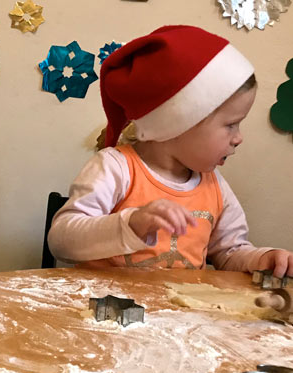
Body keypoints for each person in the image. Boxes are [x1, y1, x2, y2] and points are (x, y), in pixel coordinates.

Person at [48, 25, 293, 278]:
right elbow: (61, 241)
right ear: (178, 123)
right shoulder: (116, 168)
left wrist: (263, 259)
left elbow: (229, 253)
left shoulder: (216, 187)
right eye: (231, 124)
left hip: (182, 315)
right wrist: (131, 224)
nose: (238, 138)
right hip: (102, 312)